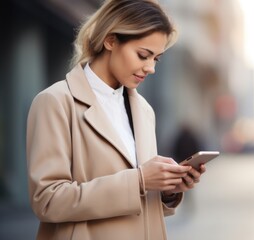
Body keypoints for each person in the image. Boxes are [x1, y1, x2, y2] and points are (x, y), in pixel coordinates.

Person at [26, 0, 206, 239]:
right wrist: (140, 180)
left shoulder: (143, 110)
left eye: (156, 59)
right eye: (143, 55)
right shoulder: (55, 102)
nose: (151, 67)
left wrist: (167, 189)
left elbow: (140, 199)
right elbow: (47, 200)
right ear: (110, 40)